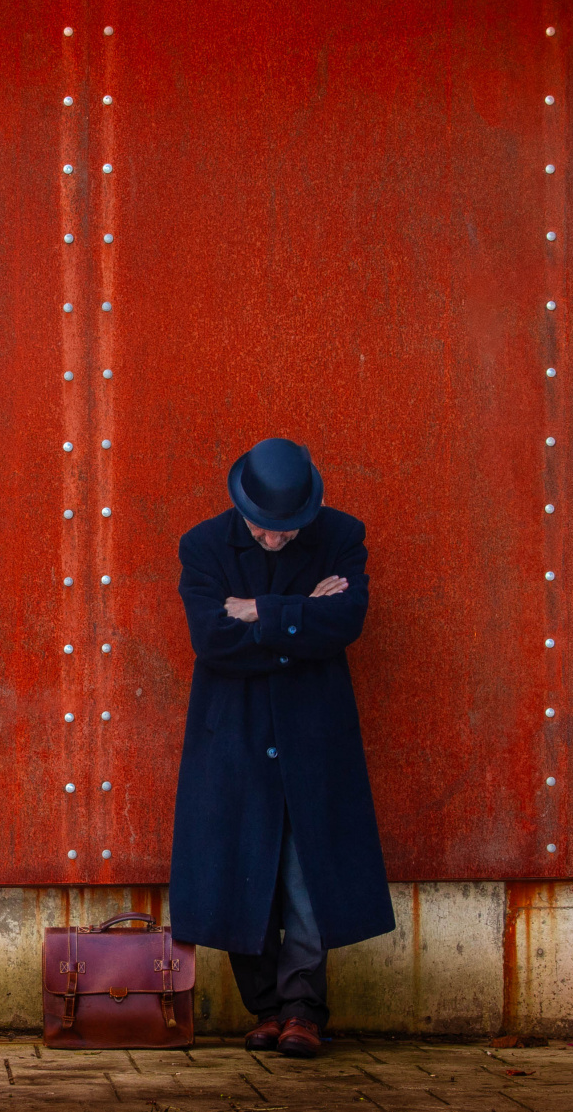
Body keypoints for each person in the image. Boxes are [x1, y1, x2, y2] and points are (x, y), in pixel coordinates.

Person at [167, 438, 395, 1059]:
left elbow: (345, 621)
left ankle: (302, 1011)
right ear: (241, 505)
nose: (273, 539)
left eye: (287, 530)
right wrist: (299, 618)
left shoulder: (341, 535)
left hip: (312, 733)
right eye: (262, 528)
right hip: (233, 734)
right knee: (244, 873)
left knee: (307, 873)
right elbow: (212, 640)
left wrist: (257, 611)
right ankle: (266, 1008)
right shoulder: (203, 545)